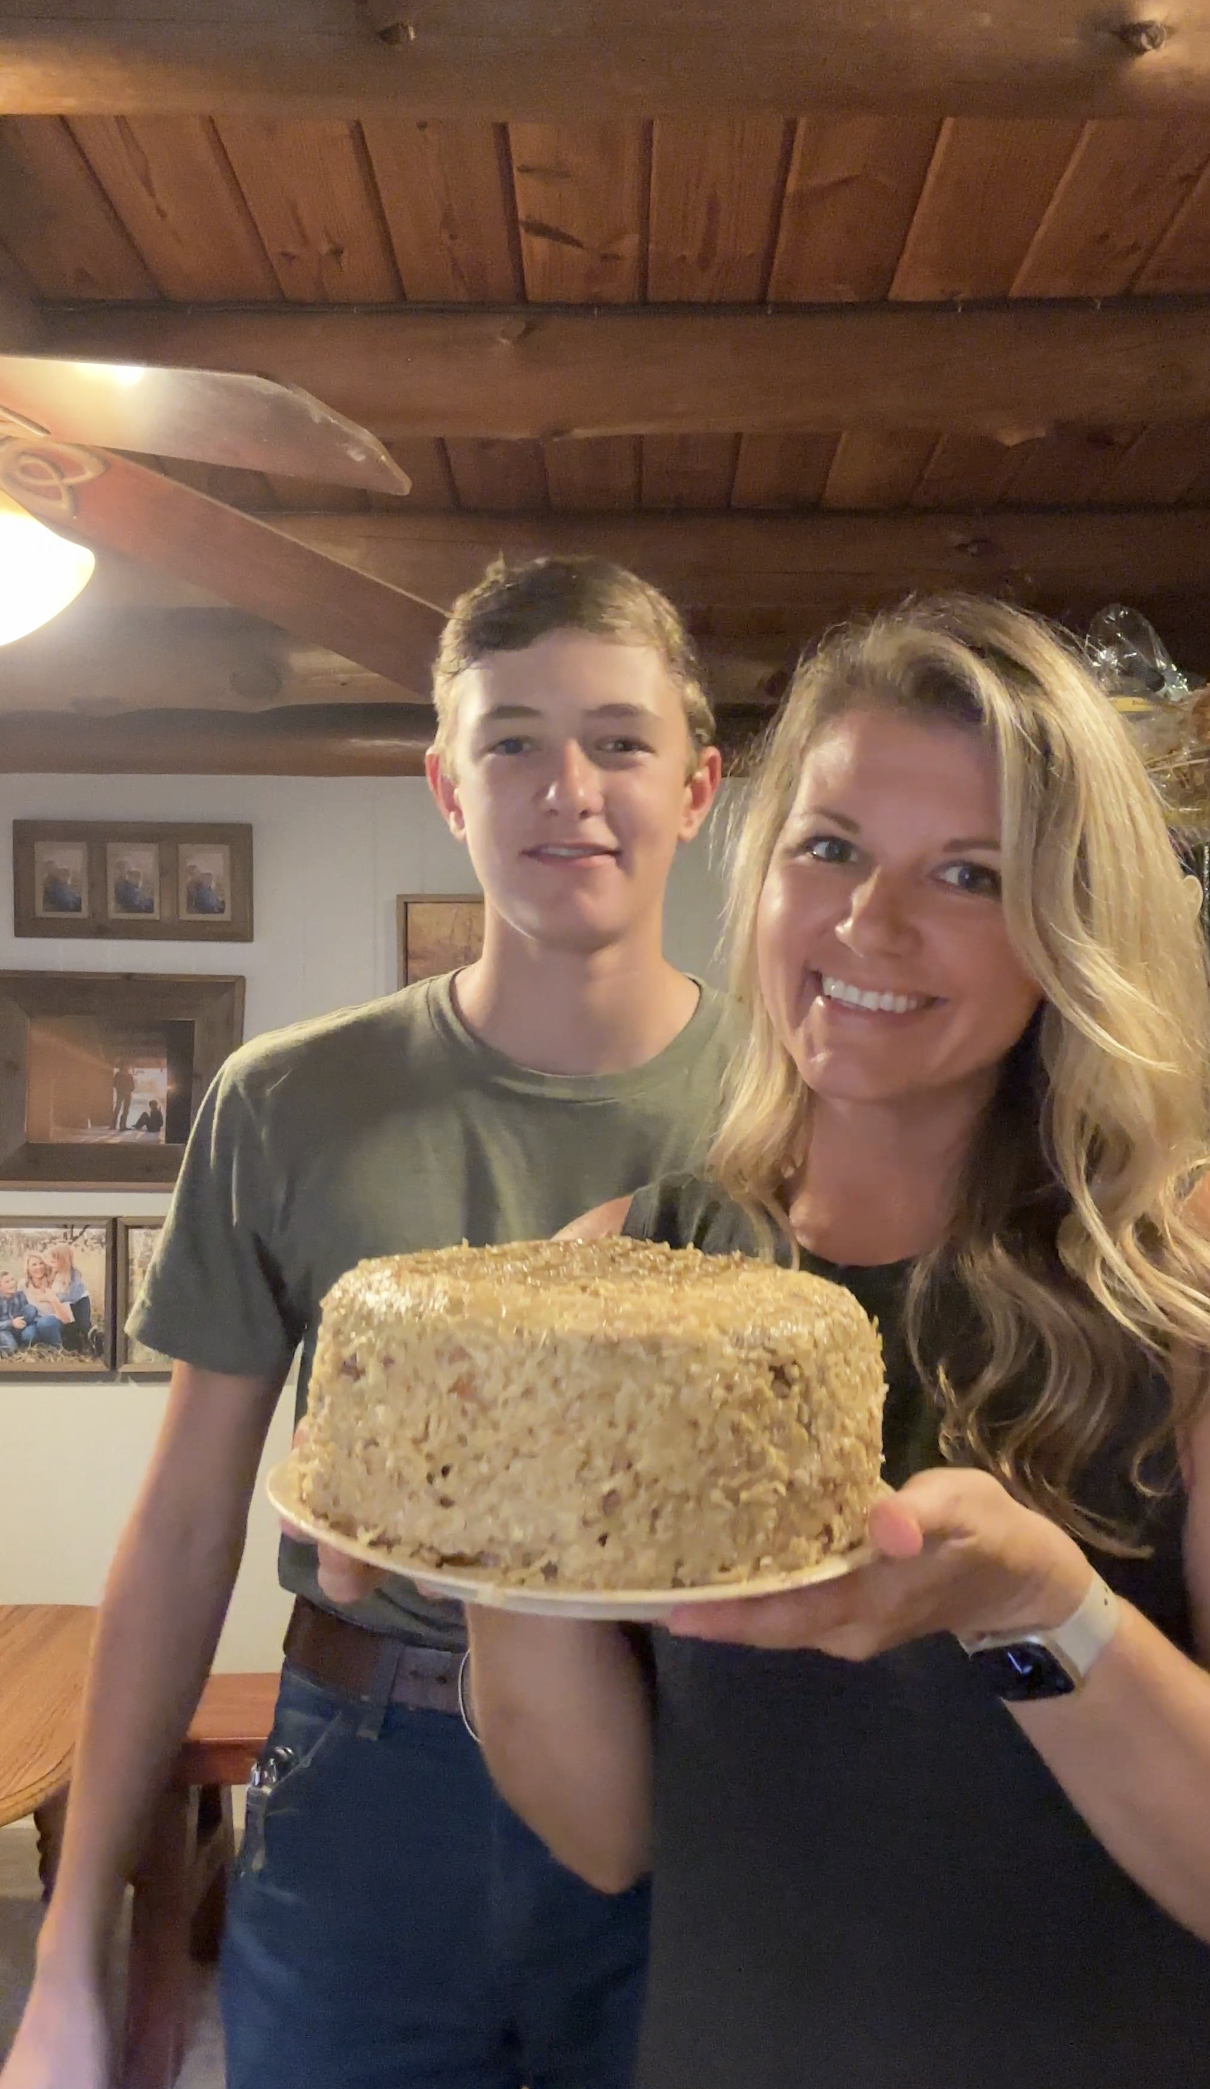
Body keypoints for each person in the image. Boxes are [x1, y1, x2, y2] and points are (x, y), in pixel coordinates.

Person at [459, 595, 1210, 2086]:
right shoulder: (622, 1279)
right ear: (760, 872)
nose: (867, 924)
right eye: (827, 848)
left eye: (965, 873)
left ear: (1069, 923)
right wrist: (481, 1541)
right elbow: (607, 1835)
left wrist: (1044, 1611)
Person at [2, 555, 728, 2089]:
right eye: (510, 741)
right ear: (445, 788)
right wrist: (71, 1950)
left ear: (699, 785)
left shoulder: (794, 1113)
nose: (567, 787)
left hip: (706, 1778)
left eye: (618, 739)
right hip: (368, 1780)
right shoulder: (286, 1100)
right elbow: (188, 1522)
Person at [45, 1243, 94, 1355]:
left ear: (63, 1262)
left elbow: (71, 1295)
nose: (50, 1265)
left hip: (79, 1302)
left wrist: (55, 1297)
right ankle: (74, 1346)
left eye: (53, 1262)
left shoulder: (73, 1276)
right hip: (66, 1305)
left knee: (83, 1324)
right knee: (70, 1326)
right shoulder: (55, 1274)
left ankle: (91, 1343)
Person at [20, 1254, 71, 1352]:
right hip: (35, 1322)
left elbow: (66, 1318)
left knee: (45, 1323)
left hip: (54, 1321)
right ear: (28, 1269)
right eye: (34, 1265)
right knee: (27, 1336)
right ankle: (44, 1344)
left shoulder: (55, 1283)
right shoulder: (23, 1284)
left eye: (41, 1263)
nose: (38, 1267)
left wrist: (52, 1299)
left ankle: (58, 1349)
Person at [0, 1271, 40, 1356]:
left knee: (31, 1309)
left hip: (19, 1327)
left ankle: (22, 1341)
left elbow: (28, 1314)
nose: (12, 1283)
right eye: (7, 1282)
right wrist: (11, 1323)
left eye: (12, 1280)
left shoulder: (20, 1295)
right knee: (11, 1349)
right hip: (4, 1330)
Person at [110, 1059, 134, 1133]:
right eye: (127, 1066)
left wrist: (121, 1089)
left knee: (121, 1109)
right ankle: (121, 1125)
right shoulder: (127, 1075)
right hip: (124, 1093)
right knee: (122, 1109)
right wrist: (127, 1090)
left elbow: (114, 1084)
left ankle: (115, 1125)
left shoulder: (119, 1074)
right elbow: (132, 1086)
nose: (128, 1067)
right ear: (123, 1066)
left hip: (122, 1093)